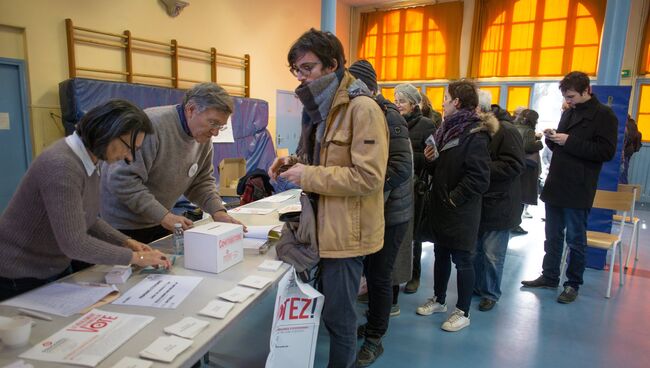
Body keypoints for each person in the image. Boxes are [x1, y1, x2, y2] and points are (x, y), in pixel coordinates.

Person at [268, 29, 389, 367]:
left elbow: (369, 177)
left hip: (345, 233)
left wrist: (306, 175)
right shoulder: (319, 107)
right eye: (295, 70)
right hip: (319, 226)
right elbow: (322, 160)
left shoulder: (362, 109)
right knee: (327, 310)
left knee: (340, 317)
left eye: (307, 68)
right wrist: (294, 161)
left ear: (332, 65)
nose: (300, 77)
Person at [0, 100, 171, 301]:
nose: (130, 158)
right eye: (129, 148)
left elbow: (87, 217)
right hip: (18, 273)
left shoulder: (89, 160)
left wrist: (125, 241)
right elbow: (74, 243)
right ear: (108, 132)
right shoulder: (62, 165)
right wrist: (135, 258)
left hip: (50, 267)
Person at [100, 83, 243, 244]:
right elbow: (122, 180)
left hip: (158, 219)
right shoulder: (150, 127)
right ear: (191, 110)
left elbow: (201, 182)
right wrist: (164, 216)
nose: (215, 132)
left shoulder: (203, 139)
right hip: (122, 224)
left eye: (221, 126)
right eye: (213, 123)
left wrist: (218, 211)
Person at [522, 71, 618, 304]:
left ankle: (572, 283)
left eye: (572, 96)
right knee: (552, 236)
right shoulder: (569, 112)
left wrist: (569, 141)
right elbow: (561, 148)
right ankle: (550, 275)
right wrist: (552, 139)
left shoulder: (605, 116)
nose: (568, 101)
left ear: (587, 91)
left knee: (575, 240)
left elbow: (606, 152)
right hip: (557, 182)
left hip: (579, 185)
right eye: (566, 97)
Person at [349, 60, 413, 366]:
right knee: (366, 273)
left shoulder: (389, 115)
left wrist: (367, 188)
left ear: (370, 88)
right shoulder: (359, 112)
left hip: (391, 212)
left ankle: (375, 338)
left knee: (379, 277)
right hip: (369, 210)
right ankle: (371, 324)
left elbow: (401, 167)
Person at [416, 80, 490, 332]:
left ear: (457, 101)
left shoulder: (474, 133)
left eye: (446, 98)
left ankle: (463, 311)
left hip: (461, 209)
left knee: (463, 259)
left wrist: (454, 198)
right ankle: (439, 299)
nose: (443, 102)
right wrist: (431, 161)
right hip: (442, 206)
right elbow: (445, 168)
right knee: (441, 253)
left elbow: (479, 177)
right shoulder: (447, 130)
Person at [473, 89, 525, 312]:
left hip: (500, 202)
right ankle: (477, 287)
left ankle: (491, 293)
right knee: (476, 251)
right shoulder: (477, 128)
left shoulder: (507, 130)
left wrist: (481, 167)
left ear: (479, 109)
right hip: (480, 200)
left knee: (493, 254)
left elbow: (514, 166)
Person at [393, 83, 437, 295]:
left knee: (414, 234)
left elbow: (433, 160)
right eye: (395, 100)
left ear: (413, 103)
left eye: (401, 101)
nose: (397, 104)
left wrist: (406, 158)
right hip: (395, 184)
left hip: (415, 185)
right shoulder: (392, 122)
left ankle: (414, 275)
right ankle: (394, 275)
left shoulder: (427, 125)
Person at [511, 109, 543, 234]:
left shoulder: (513, 127)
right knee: (522, 198)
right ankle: (515, 224)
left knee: (515, 197)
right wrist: (539, 142)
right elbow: (528, 146)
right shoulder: (529, 130)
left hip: (515, 165)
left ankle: (512, 222)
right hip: (526, 168)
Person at [621, 115, 642, 184]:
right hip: (630, 149)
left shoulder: (626, 124)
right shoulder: (633, 123)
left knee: (623, 171)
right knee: (624, 169)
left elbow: (627, 137)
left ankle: (623, 189)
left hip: (626, 149)